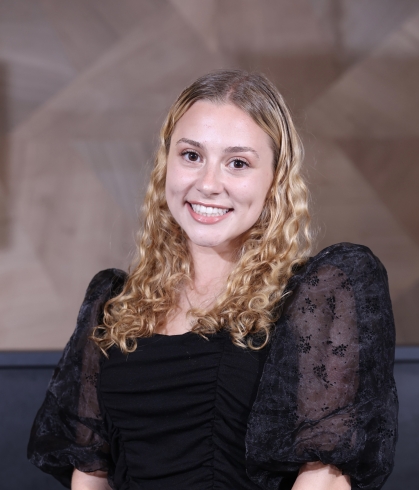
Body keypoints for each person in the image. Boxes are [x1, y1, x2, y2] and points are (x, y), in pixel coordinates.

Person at [27, 70, 398, 490]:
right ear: (167, 164)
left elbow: (325, 478)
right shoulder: (112, 304)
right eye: (191, 156)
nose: (207, 184)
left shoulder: (321, 292)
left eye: (237, 163)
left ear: (275, 181)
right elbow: (90, 474)